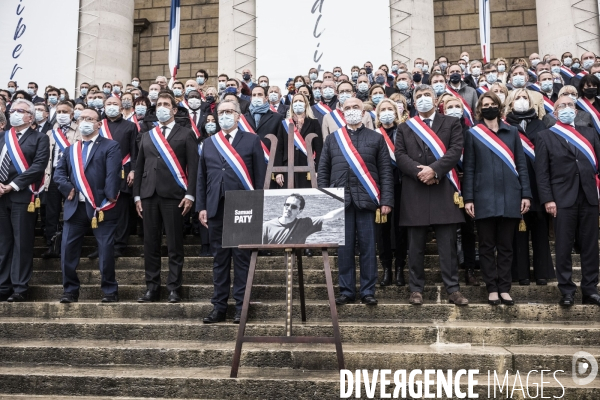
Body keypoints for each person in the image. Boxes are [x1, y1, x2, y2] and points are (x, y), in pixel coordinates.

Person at [395, 84, 468, 306]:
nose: (424, 99)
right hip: (415, 189)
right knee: (415, 245)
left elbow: (455, 150)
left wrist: (434, 170)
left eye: (428, 95)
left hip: (443, 188)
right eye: (420, 96)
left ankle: (453, 289)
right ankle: (416, 289)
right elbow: (400, 155)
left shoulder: (452, 123)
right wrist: (422, 173)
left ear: (436, 101)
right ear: (414, 102)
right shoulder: (405, 127)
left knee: (447, 245)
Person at [318, 97, 394, 306]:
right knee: (344, 249)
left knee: (369, 248)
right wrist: (325, 200)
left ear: (364, 112)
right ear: (342, 112)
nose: (352, 110)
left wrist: (386, 200)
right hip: (340, 203)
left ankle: (368, 290)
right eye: (348, 108)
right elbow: (323, 171)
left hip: (367, 202)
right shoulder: (333, 139)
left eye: (356, 108)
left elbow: (386, 172)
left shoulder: (376, 138)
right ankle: (347, 290)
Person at [197, 100, 267, 323]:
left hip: (244, 205)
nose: (225, 116)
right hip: (216, 206)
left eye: (229, 112)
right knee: (219, 259)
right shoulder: (209, 143)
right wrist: (202, 207)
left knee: (241, 258)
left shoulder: (252, 140)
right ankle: (219, 307)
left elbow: (260, 176)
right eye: (221, 112)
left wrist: (259, 206)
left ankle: (241, 306)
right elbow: (201, 177)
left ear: (238, 116)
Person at [463, 92, 531, 306]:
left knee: (506, 247)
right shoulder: (474, 133)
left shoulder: (512, 132)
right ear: (479, 109)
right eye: (485, 104)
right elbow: (470, 168)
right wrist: (469, 198)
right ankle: (491, 288)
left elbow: (521, 165)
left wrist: (526, 193)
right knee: (485, 246)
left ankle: (504, 288)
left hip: (510, 195)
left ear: (499, 107)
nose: (489, 107)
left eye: (493, 104)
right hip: (483, 197)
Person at [535, 95, 600, 307]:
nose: (566, 108)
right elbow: (542, 173)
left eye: (570, 105)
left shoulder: (589, 133)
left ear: (576, 110)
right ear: (554, 113)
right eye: (561, 106)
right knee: (563, 246)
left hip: (589, 196)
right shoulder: (545, 136)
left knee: (590, 246)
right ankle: (567, 291)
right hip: (562, 199)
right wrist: (548, 199)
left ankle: (590, 289)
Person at [134, 93, 199, 303]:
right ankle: (152, 288)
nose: (162, 107)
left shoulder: (186, 133)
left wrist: (190, 193)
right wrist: (137, 196)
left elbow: (194, 166)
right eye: (159, 104)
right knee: (150, 245)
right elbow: (139, 166)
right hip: (149, 195)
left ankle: (174, 287)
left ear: (174, 110)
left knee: (174, 245)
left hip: (175, 195)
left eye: (166, 105)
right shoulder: (147, 135)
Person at [53, 108, 122, 303]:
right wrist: (67, 188)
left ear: (99, 124)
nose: (85, 121)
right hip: (76, 207)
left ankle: (109, 290)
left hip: (101, 207)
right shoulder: (71, 149)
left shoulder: (111, 146)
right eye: (82, 118)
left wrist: (109, 198)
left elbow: (112, 174)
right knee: (67, 250)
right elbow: (59, 174)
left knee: (106, 251)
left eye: (89, 119)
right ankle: (70, 290)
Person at [503, 89, 554, 286]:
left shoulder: (542, 124)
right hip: (515, 185)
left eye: (525, 98)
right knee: (518, 231)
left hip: (539, 185)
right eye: (517, 98)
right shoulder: (505, 125)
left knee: (540, 230)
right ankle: (520, 273)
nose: (522, 101)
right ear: (510, 102)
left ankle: (542, 273)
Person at [0, 99, 50, 301]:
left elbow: (38, 167)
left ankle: (20, 287)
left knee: (22, 243)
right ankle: (3, 286)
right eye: (13, 110)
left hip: (23, 195)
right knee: (3, 243)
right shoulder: (3, 136)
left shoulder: (40, 138)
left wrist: (12, 185)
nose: (15, 113)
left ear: (30, 116)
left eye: (20, 111)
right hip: (1, 197)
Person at [86, 96, 138, 259]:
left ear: (122, 107)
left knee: (121, 210)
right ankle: (101, 245)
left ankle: (119, 245)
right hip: (99, 172)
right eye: (108, 104)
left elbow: (135, 151)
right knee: (100, 210)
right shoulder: (98, 125)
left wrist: (134, 170)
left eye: (115, 104)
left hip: (122, 172)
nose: (111, 107)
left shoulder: (130, 126)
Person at [373, 98, 408, 286]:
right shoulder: (374, 134)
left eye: (390, 109)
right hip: (381, 188)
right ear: (378, 115)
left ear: (396, 112)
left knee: (401, 229)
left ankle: (400, 267)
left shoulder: (405, 131)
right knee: (383, 230)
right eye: (383, 109)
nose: (387, 112)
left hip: (402, 185)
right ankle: (386, 267)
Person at [41, 101, 81, 259]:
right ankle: (52, 244)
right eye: (58, 112)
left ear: (71, 115)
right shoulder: (50, 133)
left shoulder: (79, 131)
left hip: (71, 175)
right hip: (52, 175)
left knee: (71, 211)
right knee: (51, 212)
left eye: (65, 111)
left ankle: (69, 244)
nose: (61, 114)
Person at [242, 85, 286, 186]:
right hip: (248, 165)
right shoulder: (242, 119)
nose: (257, 97)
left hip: (269, 166)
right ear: (251, 98)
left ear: (266, 98)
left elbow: (280, 146)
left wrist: (278, 169)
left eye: (260, 94)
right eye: (254, 95)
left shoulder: (277, 118)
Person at [263, 193, 343, 244]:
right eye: (287, 205)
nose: (289, 208)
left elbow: (330, 216)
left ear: (299, 211)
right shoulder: (267, 226)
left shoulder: (305, 224)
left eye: (293, 206)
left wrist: (347, 206)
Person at [285, 93, 323, 189]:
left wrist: (318, 170)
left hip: (308, 166)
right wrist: (278, 172)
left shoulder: (314, 122)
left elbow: (319, 148)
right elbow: (280, 148)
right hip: (288, 166)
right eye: (295, 101)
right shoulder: (285, 123)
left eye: (301, 101)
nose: (298, 103)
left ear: (306, 104)